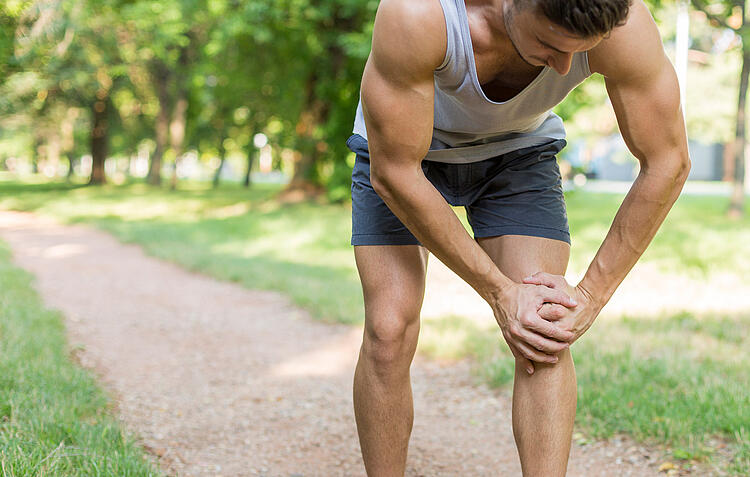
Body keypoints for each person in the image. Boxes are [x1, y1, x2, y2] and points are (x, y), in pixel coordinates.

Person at [347, 0, 690, 475]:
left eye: (581, 51)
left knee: (544, 327)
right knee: (388, 330)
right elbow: (395, 172)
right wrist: (499, 292)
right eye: (550, 45)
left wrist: (589, 296)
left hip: (517, 154)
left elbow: (668, 161)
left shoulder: (624, 26)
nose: (566, 68)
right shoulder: (419, 13)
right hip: (406, 157)